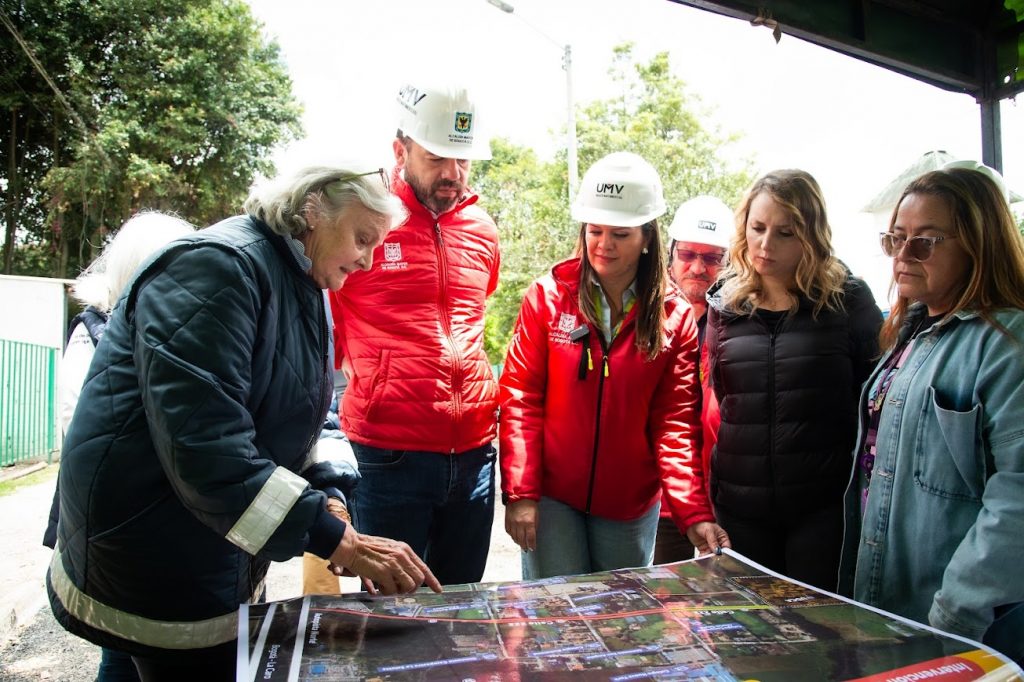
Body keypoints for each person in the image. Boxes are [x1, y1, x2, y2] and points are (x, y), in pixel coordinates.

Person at [47, 165, 441, 680]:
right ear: (312, 209)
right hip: (154, 550)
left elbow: (313, 414)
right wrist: (339, 542)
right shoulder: (217, 267)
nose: (367, 260)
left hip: (203, 548)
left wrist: (335, 504)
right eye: (362, 238)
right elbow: (208, 454)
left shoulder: (305, 281)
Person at [499, 152, 730, 580]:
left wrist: (693, 511)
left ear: (647, 237)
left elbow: (674, 423)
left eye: (620, 233)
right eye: (595, 230)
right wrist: (521, 493)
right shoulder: (546, 298)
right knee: (557, 620)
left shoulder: (673, 316)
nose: (604, 244)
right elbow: (520, 400)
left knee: (617, 625)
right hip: (552, 496)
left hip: (629, 504)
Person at [839, 163, 1024, 662]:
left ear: (977, 244)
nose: (902, 254)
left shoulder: (1007, 343)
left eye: (925, 241)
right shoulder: (911, 332)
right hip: (891, 608)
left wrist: (956, 614)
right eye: (895, 238)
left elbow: (1017, 499)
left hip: (958, 623)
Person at [328, 82, 500, 586]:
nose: (453, 174)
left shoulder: (483, 230)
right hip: (387, 457)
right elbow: (329, 337)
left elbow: (471, 320)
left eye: (463, 160)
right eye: (437, 158)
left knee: (462, 611)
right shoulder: (364, 221)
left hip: (474, 456)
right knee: (391, 623)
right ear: (400, 150)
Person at [705, 169, 882, 590]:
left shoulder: (849, 300)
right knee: (748, 639)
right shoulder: (724, 304)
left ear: (812, 235)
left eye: (785, 233)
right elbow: (723, 396)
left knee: (819, 635)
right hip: (739, 506)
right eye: (758, 228)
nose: (765, 245)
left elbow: (876, 396)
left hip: (822, 510)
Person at [44, 212, 194, 682]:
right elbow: (75, 428)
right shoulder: (93, 333)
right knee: (124, 646)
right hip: (121, 525)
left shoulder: (192, 334)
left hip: (181, 529)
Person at [653, 195, 732, 564]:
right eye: (688, 255)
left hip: (721, 499)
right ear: (670, 256)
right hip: (661, 500)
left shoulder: (740, 324)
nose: (698, 267)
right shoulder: (649, 319)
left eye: (712, 257)